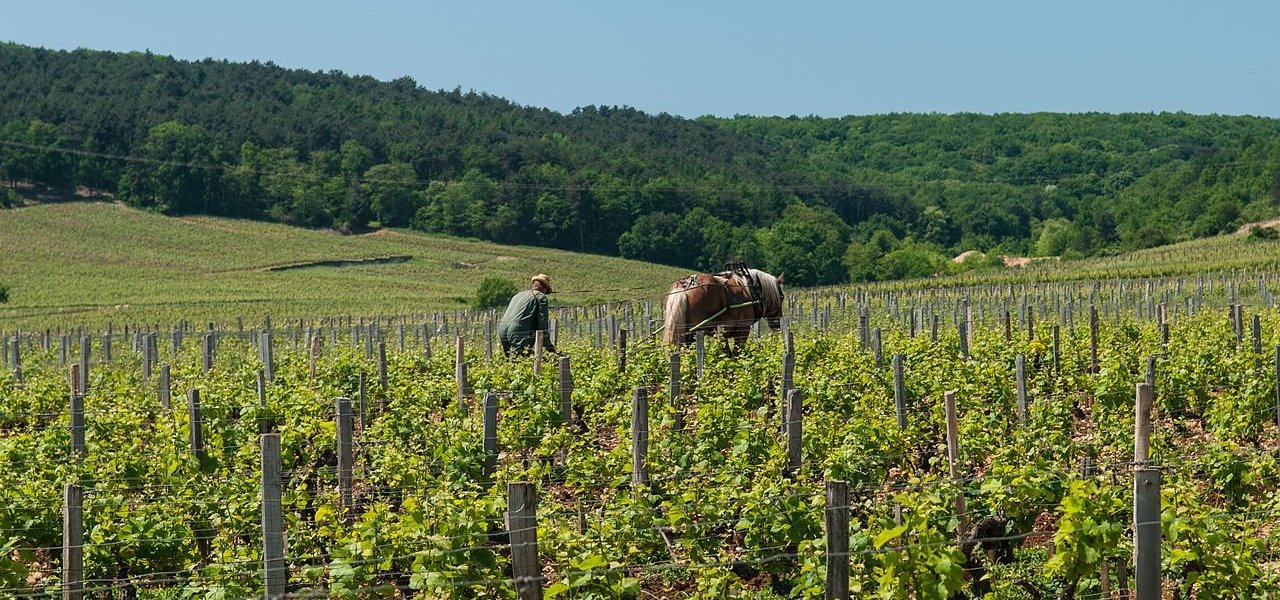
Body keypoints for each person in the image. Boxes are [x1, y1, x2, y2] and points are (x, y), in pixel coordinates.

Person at [498, 273, 557, 357]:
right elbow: (542, 323)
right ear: (544, 288)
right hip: (519, 331)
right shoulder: (541, 297)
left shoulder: (517, 295)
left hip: (502, 329)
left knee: (509, 359)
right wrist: (549, 346)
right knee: (519, 360)